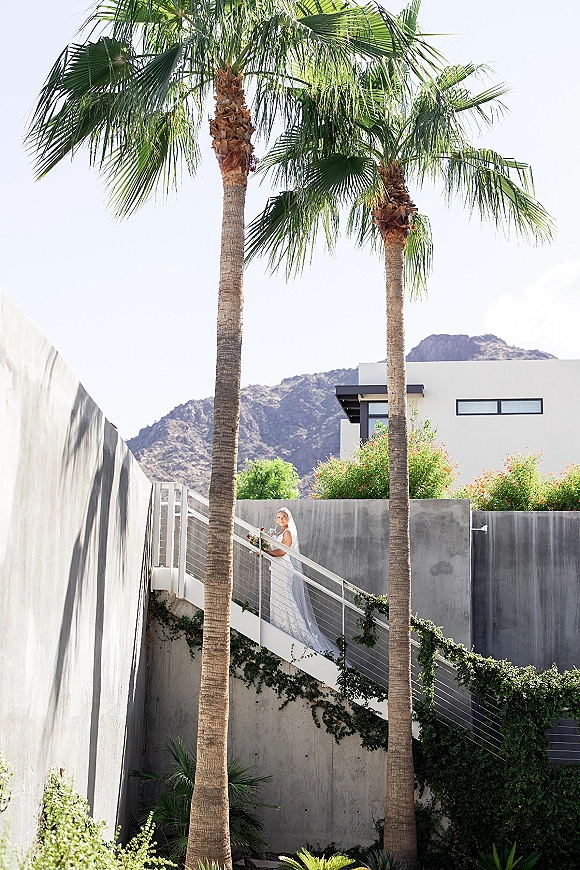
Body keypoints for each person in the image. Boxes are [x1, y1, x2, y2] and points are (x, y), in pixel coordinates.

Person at [267, 508, 339, 658]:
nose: (281, 519)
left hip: (283, 567)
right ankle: (280, 628)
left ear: (289, 518)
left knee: (285, 597)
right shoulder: (279, 533)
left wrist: (264, 551)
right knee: (277, 598)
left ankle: (296, 632)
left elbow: (282, 552)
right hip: (276, 568)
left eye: (283, 517)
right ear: (276, 519)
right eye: (278, 517)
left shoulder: (287, 533)